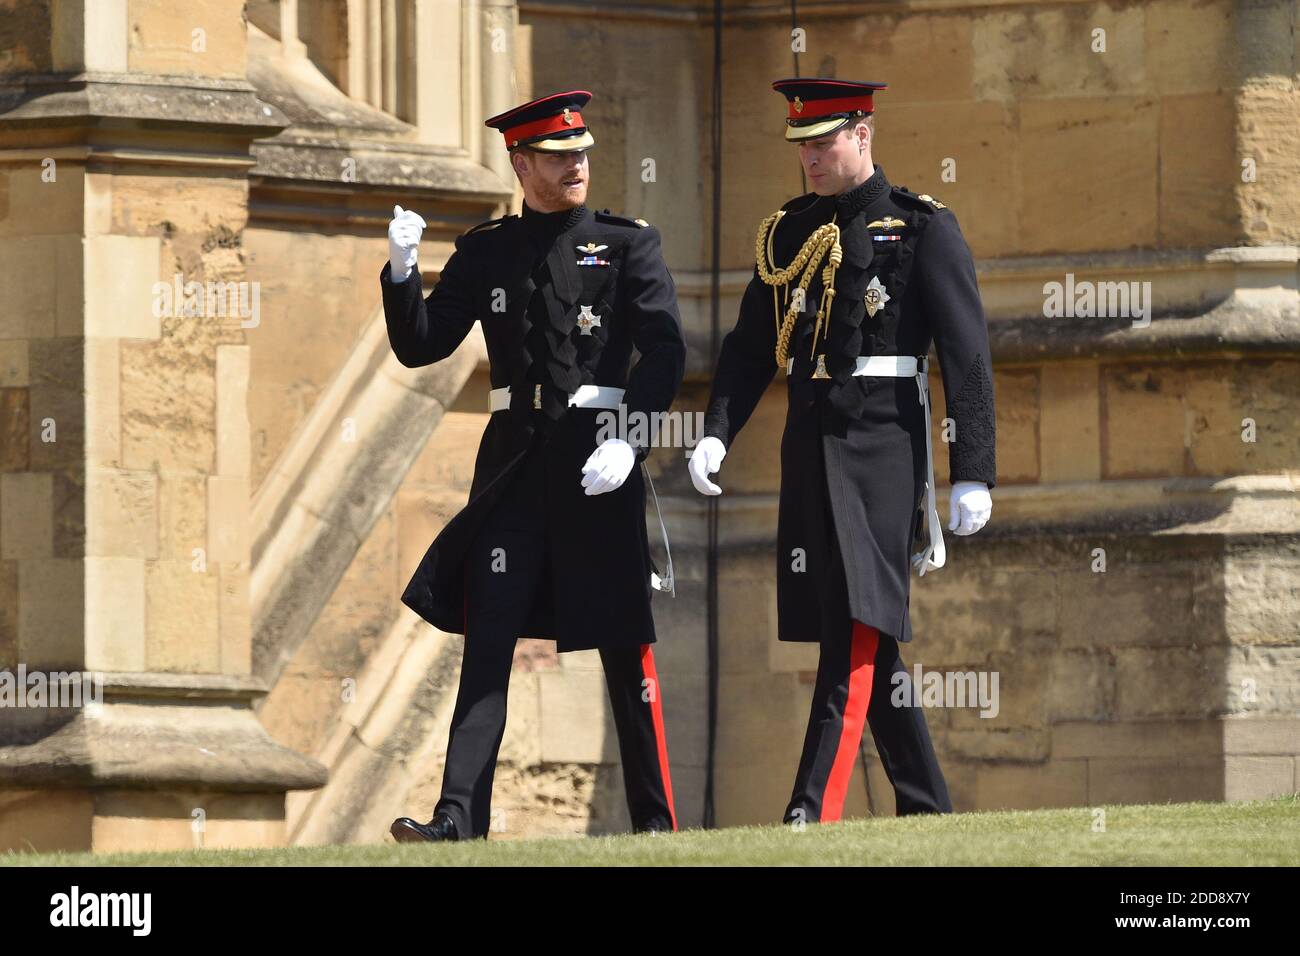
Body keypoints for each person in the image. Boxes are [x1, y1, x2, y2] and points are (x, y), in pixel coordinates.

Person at [689, 77, 996, 823]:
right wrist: (715, 431)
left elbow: (966, 358)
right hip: (812, 443)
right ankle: (926, 808)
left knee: (858, 625)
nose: (810, 160)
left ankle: (809, 808)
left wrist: (974, 472)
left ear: (862, 133)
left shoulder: (922, 226)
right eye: (800, 146)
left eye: (822, 143)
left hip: (885, 446)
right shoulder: (788, 232)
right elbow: (750, 348)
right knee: (857, 629)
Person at [382, 90, 686, 840]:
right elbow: (423, 344)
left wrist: (629, 438)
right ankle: (458, 819)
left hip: (597, 458)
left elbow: (668, 350)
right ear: (522, 164)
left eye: (580, 153)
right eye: (557, 157)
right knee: (488, 637)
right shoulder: (486, 249)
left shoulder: (626, 243)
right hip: (514, 464)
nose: (575, 166)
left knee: (623, 643)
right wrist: (400, 270)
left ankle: (654, 820)